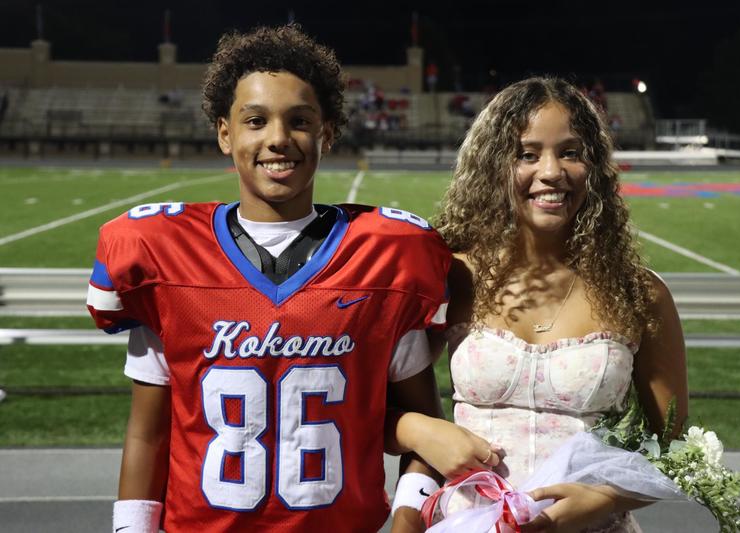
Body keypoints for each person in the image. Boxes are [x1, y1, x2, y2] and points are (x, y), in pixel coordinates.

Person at [86, 24, 492, 532]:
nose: (278, 138)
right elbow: (148, 433)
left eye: (299, 121)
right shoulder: (163, 254)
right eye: (255, 120)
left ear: (327, 132)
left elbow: (426, 428)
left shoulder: (389, 255)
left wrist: (408, 518)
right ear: (224, 132)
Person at [414, 76, 688, 532]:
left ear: (594, 167)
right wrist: (422, 435)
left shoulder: (640, 293)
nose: (551, 171)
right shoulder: (453, 277)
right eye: (527, 153)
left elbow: (677, 449)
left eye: (570, 152)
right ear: (493, 167)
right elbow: (389, 402)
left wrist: (605, 499)